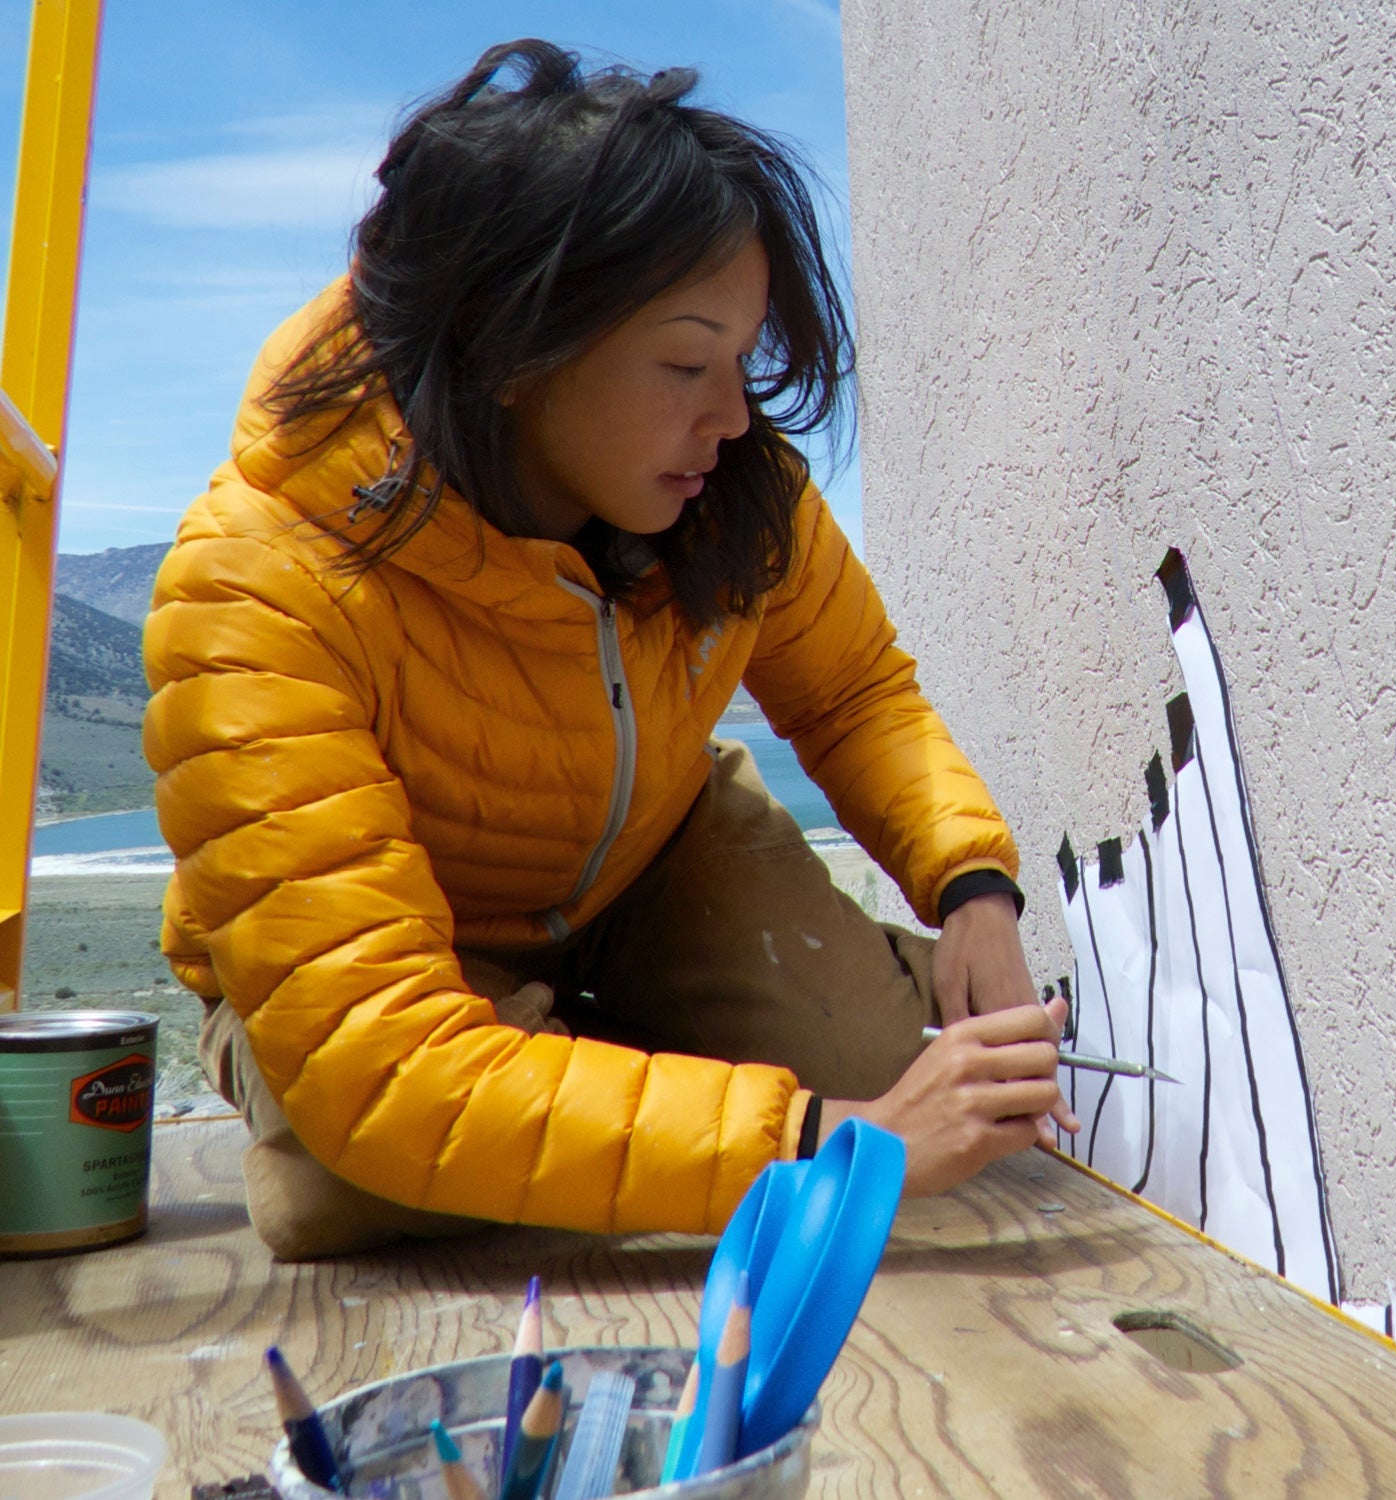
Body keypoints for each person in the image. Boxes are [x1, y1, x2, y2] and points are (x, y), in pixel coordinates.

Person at [143, 39, 1079, 1261]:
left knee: (864, 1059)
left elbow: (853, 694)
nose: (734, 415)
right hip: (412, 939)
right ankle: (600, 1070)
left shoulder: (734, 488)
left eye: (740, 361)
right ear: (510, 343)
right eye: (687, 362)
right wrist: (824, 1145)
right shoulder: (254, 580)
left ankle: (604, 1063)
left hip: (654, 850)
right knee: (362, 1177)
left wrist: (973, 891)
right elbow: (383, 1062)